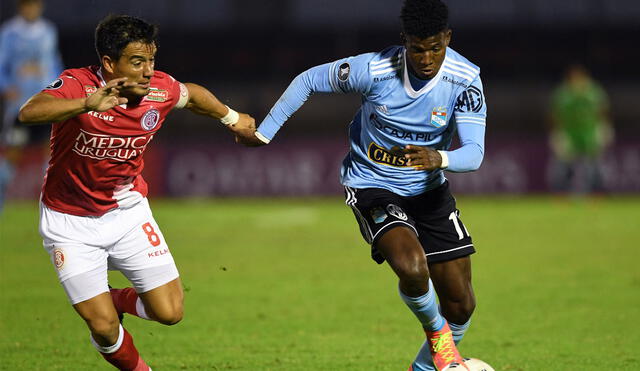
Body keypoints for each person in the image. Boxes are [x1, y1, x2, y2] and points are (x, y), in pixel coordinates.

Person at [233, 0, 485, 370]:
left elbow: (475, 153)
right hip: (372, 185)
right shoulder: (375, 69)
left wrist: (440, 159)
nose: (427, 58)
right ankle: (439, 340)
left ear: (447, 38)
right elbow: (308, 80)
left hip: (429, 190)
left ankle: (424, 367)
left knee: (462, 303)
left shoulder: (464, 79)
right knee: (412, 267)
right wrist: (266, 133)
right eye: (417, 48)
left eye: (435, 47)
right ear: (404, 41)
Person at [18, 15, 255, 370]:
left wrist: (231, 118)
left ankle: (109, 298)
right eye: (137, 62)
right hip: (69, 222)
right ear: (110, 63)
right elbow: (29, 111)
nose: (147, 71)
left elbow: (192, 95)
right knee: (103, 327)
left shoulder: (159, 90)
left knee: (170, 312)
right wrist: (86, 105)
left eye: (151, 61)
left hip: (127, 213)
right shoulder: (78, 84)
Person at [0, 0, 63, 212]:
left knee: (52, 150)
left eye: (35, 5)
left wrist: (59, 88)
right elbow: (1, 64)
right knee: (13, 151)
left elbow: (54, 62)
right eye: (28, 5)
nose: (32, 9)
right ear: (21, 7)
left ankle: (52, 204)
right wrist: (6, 86)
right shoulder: (10, 32)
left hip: (45, 102)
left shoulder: (48, 31)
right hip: (20, 105)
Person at [548, 64, 612, 194]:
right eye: (574, 78)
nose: (577, 80)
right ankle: (560, 193)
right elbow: (554, 114)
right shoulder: (564, 94)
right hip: (569, 134)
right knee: (562, 165)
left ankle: (596, 193)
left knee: (593, 165)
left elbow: (603, 110)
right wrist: (557, 132)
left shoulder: (593, 92)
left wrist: (604, 127)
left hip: (590, 133)